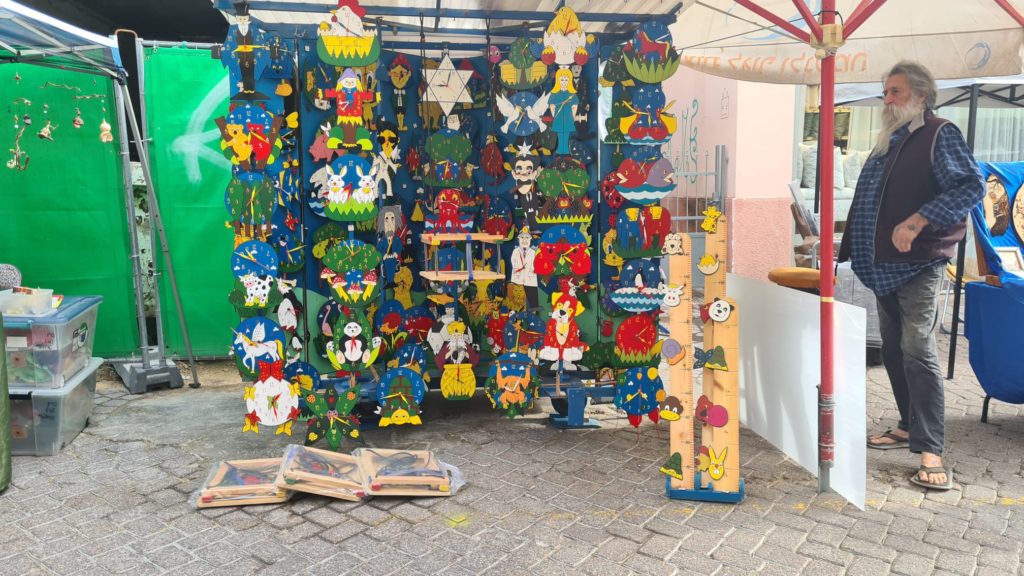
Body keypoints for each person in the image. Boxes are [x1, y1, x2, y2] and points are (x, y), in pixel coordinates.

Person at [838, 61, 984, 490]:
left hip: (918, 262)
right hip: (882, 265)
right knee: (896, 351)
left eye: (895, 92)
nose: (887, 99)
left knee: (918, 349)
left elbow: (970, 187)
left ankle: (930, 447)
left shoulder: (941, 133)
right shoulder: (893, 139)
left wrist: (917, 221)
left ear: (921, 95)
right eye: (885, 92)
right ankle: (906, 425)